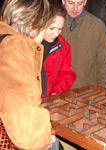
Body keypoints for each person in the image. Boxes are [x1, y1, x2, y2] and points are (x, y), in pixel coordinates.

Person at [0, 0, 56, 149]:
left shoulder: (3, 38)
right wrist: (45, 137)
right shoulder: (15, 48)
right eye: (45, 26)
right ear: (33, 23)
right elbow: (28, 133)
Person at [60, 0, 106, 90]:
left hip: (86, 91)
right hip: (56, 91)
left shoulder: (97, 26)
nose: (75, 8)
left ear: (85, 2)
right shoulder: (50, 24)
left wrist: (104, 91)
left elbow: (103, 63)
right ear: (63, 1)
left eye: (79, 3)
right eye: (71, 3)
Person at [41, 0, 76, 97]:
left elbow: (65, 74)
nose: (56, 34)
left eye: (60, 29)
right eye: (51, 28)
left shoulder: (62, 45)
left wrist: (55, 93)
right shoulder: (23, 44)